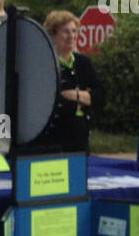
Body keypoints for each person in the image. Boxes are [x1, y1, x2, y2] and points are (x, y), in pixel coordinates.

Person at [29, 10, 103, 153]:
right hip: (54, 140)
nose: (71, 36)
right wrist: (84, 99)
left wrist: (76, 95)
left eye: (74, 31)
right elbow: (49, 102)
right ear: (53, 35)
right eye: (66, 32)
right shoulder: (44, 64)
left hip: (80, 138)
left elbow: (100, 95)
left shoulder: (83, 62)